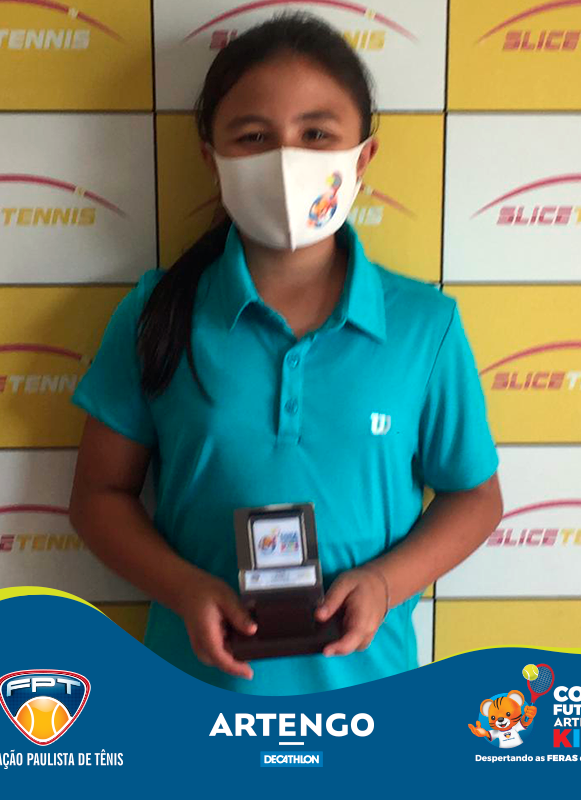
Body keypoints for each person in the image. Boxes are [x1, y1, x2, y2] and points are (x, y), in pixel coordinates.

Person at [69, 13, 503, 696]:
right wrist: (183, 588)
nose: (286, 160)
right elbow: (99, 496)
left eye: (316, 134)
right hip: (195, 696)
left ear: (363, 157)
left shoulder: (425, 325)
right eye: (253, 136)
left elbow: (474, 495)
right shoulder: (156, 313)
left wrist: (385, 582)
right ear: (211, 156)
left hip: (370, 697)